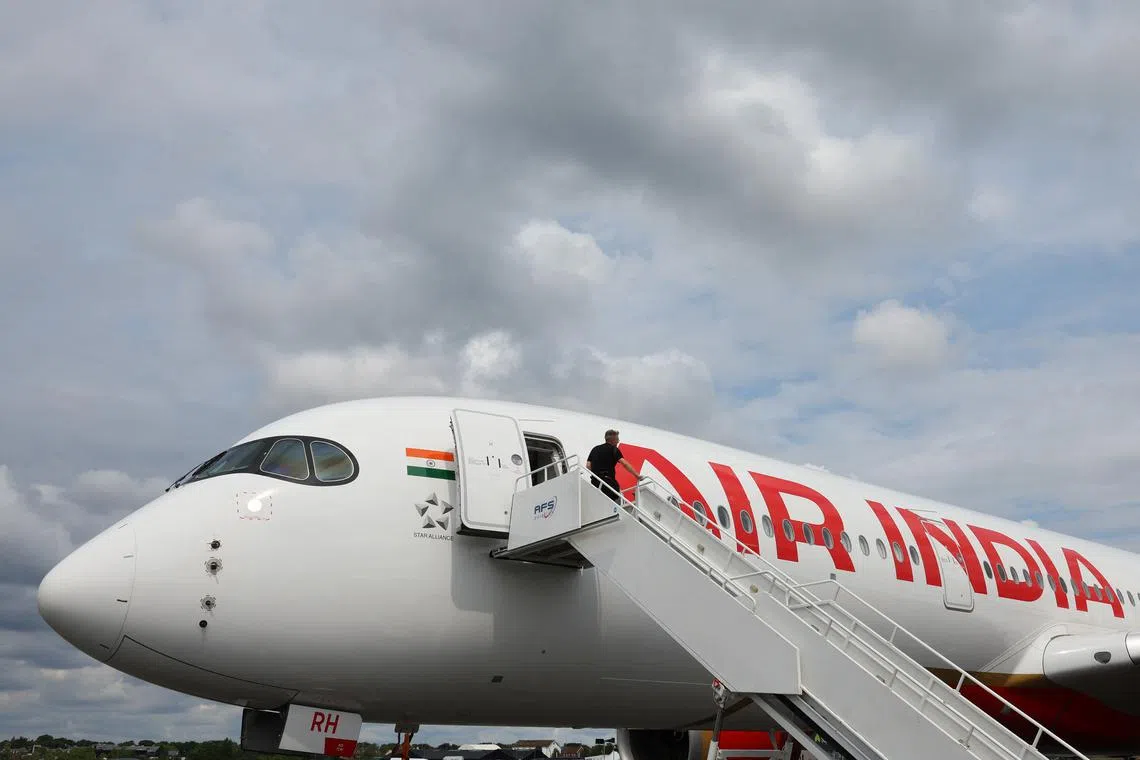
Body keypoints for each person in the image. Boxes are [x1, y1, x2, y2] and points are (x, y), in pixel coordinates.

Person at [586, 429, 639, 504]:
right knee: (618, 499)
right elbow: (625, 464)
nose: (618, 441)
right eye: (617, 439)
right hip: (608, 482)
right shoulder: (614, 449)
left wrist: (596, 472)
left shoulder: (595, 449)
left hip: (595, 481)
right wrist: (637, 475)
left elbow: (588, 465)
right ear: (613, 440)